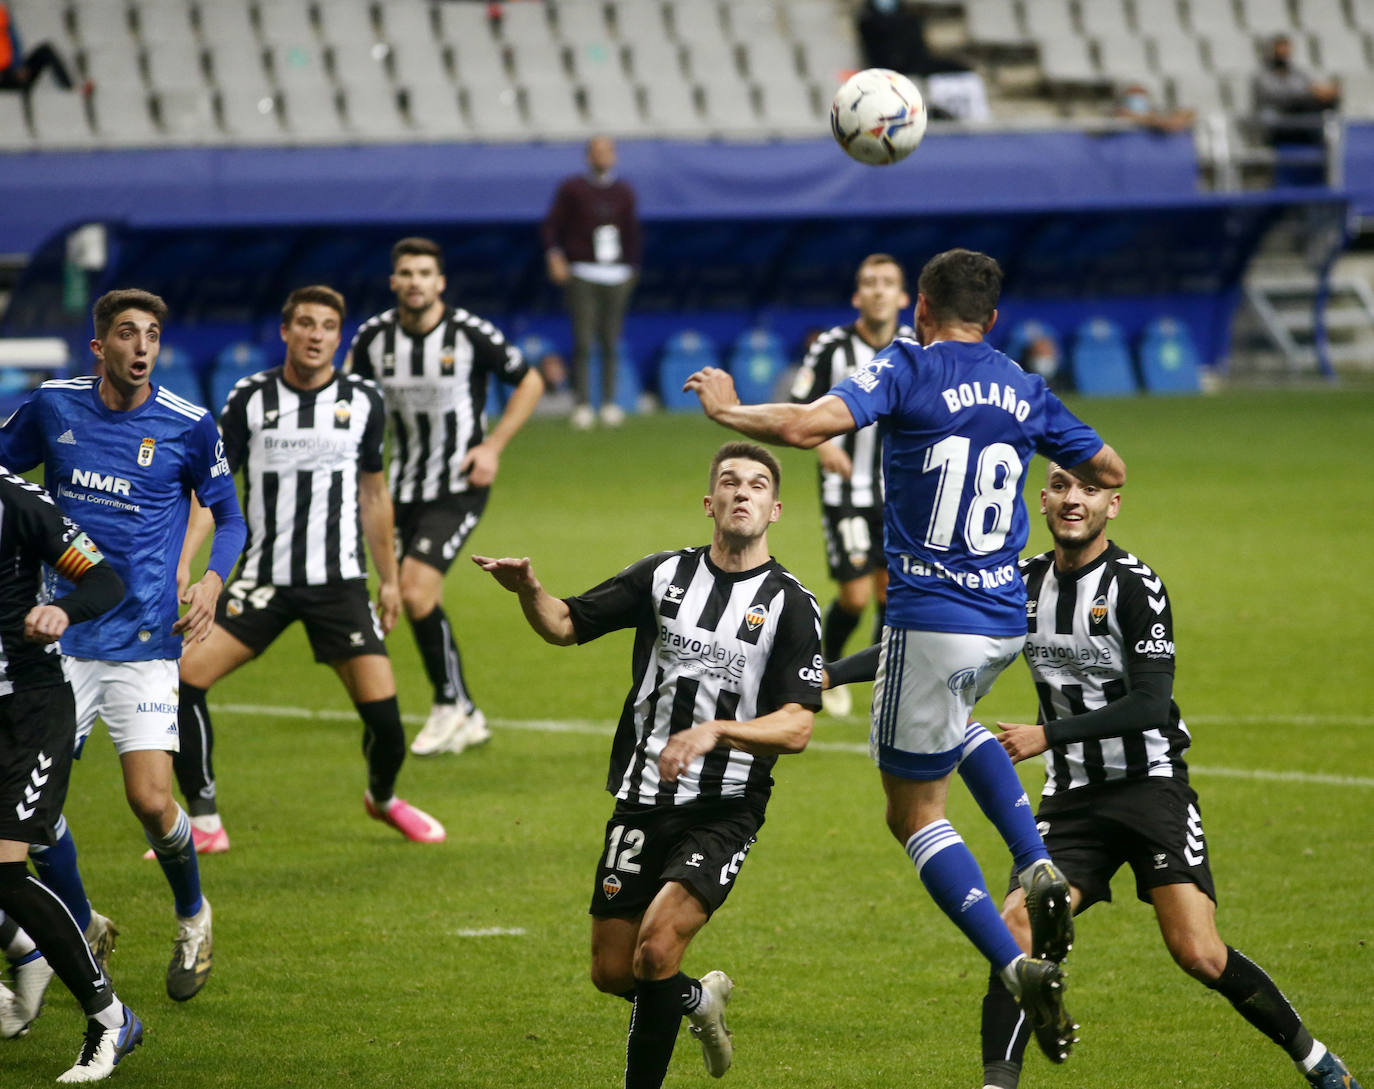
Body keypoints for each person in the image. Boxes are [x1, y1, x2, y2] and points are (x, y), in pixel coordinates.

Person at [685, 248, 1128, 1064]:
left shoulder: (909, 363)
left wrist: (727, 409)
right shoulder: (1023, 384)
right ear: (990, 320)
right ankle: (1035, 861)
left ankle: (1014, 962)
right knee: (945, 720)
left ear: (921, 309)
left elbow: (806, 425)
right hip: (1004, 617)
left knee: (912, 812)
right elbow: (1109, 468)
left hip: (931, 612)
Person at [976, 463, 1363, 1089]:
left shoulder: (1135, 585)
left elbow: (1152, 704)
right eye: (1061, 486)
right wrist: (827, 676)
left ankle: (1316, 1061)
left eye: (1090, 490)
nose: (1074, 499)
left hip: (1150, 788)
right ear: (1042, 499)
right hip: (1071, 797)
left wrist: (1047, 735)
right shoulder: (1019, 583)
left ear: (1113, 505)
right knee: (1015, 930)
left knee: (1198, 952)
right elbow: (932, 644)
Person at [473, 441, 822, 1088]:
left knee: (657, 948)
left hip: (725, 806)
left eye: (755, 485)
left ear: (775, 509)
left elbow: (798, 725)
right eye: (728, 482)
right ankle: (698, 1000)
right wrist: (529, 589)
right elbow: (565, 623)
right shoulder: (663, 575)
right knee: (613, 969)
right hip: (642, 795)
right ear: (709, 501)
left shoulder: (790, 603)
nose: (741, 492)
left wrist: (717, 730)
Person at [0, 289, 245, 1008]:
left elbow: (228, 515)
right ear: (98, 347)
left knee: (148, 798)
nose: (142, 346)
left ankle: (193, 917)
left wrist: (210, 580)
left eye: (153, 335)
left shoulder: (188, 425)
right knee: (30, 813)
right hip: (57, 638)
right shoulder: (53, 408)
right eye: (127, 333)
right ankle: (81, 924)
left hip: (143, 639)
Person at [173, 285, 446, 846]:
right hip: (262, 580)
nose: (315, 334)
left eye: (326, 326)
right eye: (304, 323)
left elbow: (375, 496)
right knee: (182, 680)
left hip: (340, 585)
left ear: (338, 337)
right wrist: (191, 565)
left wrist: (390, 581)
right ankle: (202, 823)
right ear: (285, 331)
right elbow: (212, 492)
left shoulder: (364, 401)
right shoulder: (249, 398)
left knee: (388, 728)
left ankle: (383, 797)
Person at [345, 236, 544, 759]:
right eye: (405, 273)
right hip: (398, 489)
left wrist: (493, 446)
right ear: (394, 282)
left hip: (458, 486)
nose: (415, 281)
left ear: (440, 282)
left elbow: (531, 381)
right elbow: (345, 401)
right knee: (414, 599)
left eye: (424, 273)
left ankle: (449, 705)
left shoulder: (469, 333)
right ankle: (465, 712)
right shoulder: (372, 338)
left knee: (413, 592)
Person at [0, 469, 142, 1081]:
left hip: (29, 709)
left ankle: (110, 1018)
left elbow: (105, 579)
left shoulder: (18, 502)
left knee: (3, 869)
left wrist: (59, 609)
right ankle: (24, 950)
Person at [789, 253, 914, 718]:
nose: (878, 290)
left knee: (890, 592)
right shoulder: (832, 346)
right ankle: (824, 669)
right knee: (855, 595)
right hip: (845, 492)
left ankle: (886, 684)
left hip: (901, 494)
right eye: (870, 282)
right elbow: (800, 405)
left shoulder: (916, 346)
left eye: (888, 282)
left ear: (904, 297)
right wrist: (825, 448)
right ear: (857, 295)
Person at [541, 134, 641, 431]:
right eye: (597, 151)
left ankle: (610, 402)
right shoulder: (572, 188)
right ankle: (583, 403)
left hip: (616, 273)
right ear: (588, 156)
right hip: (583, 271)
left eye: (608, 151)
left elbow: (632, 232)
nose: (603, 156)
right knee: (584, 341)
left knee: (611, 340)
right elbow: (552, 226)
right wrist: (555, 257)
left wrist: (632, 269)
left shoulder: (624, 191)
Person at [1251, 34, 1340, 146]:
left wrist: (1322, 92)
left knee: (1326, 103)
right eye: (1279, 52)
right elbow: (1275, 95)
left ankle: (1325, 145)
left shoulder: (1297, 72)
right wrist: (1309, 93)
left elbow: (1310, 86)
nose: (1283, 55)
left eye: (1285, 52)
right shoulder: (1262, 74)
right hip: (1276, 113)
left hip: (1298, 111)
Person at [0, 2, 87, 96]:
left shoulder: (3, 16)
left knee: (45, 50)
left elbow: (15, 42)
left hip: (13, 72)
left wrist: (18, 67)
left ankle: (70, 87)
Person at [1112, 81, 1195, 134]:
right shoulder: (1118, 116)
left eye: (1141, 93)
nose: (1138, 96)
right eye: (1134, 93)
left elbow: (1189, 113)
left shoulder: (1157, 113)